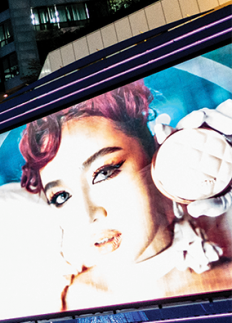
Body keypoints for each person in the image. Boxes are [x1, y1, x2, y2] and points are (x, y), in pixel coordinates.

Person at [19, 80, 232, 311]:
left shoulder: (225, 282)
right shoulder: (67, 305)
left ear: (154, 156)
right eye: (61, 197)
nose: (88, 215)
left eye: (104, 173)